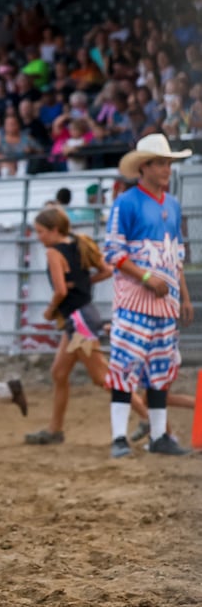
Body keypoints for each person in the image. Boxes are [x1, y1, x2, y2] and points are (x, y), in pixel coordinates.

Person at [104, 135, 193, 457]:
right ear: (146, 166)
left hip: (164, 303)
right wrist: (145, 277)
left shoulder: (171, 204)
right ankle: (118, 437)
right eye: (162, 163)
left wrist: (182, 296)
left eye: (169, 163)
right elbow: (113, 252)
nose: (167, 169)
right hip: (134, 301)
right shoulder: (126, 202)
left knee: (160, 367)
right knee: (125, 365)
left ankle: (158, 436)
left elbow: (176, 256)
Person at [26, 205, 115, 445]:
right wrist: (85, 284)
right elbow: (106, 271)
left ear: (54, 230)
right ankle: (55, 430)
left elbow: (60, 291)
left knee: (101, 377)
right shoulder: (80, 243)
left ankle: (147, 416)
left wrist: (49, 310)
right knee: (59, 373)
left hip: (78, 322)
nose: (39, 236)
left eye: (41, 231)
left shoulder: (54, 252)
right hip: (82, 318)